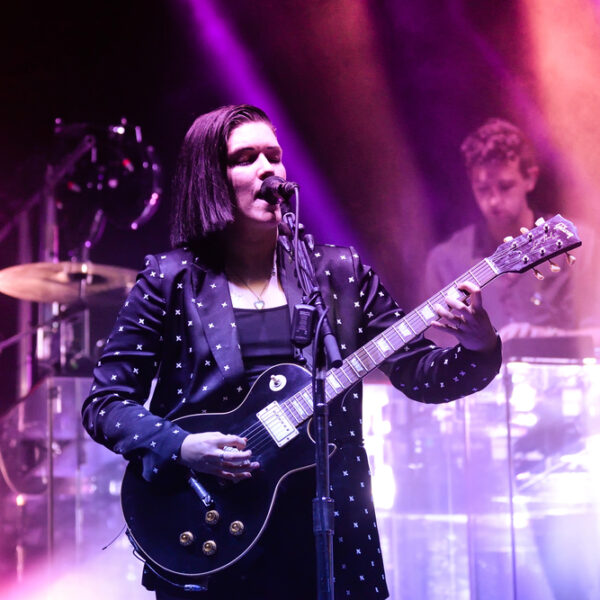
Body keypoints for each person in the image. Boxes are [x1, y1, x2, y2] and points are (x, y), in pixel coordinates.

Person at [82, 104, 502, 600]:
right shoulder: (170, 280)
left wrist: (478, 343)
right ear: (209, 178)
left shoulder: (338, 274)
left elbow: (422, 375)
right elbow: (106, 404)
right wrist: (182, 446)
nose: (268, 169)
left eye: (274, 155)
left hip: (329, 537)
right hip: (209, 529)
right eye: (246, 158)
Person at [424, 117, 600, 350]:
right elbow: (435, 352)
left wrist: (542, 338)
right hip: (482, 375)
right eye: (483, 189)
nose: (494, 200)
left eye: (505, 186)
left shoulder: (578, 242)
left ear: (530, 178)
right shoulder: (445, 260)